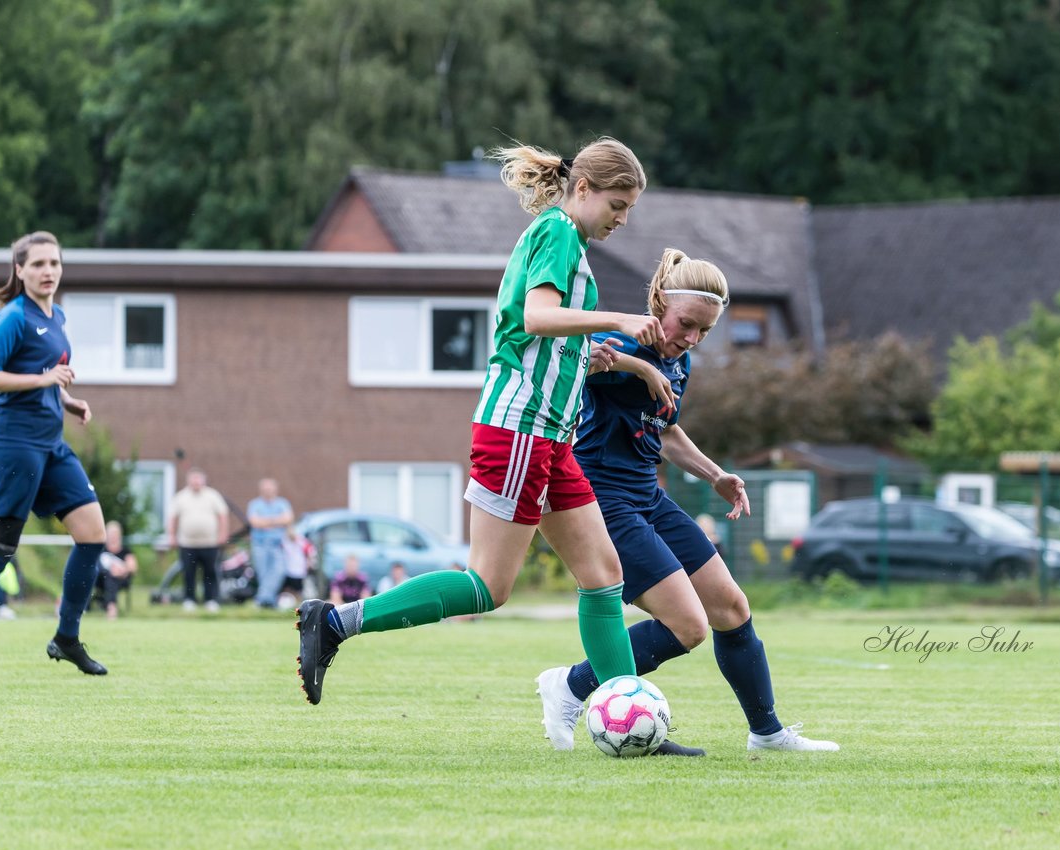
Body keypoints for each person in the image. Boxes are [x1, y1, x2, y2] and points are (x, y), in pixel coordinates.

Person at [295, 137, 665, 718]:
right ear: (585, 189)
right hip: (520, 428)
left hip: (552, 437)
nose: (623, 218)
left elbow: (548, 332)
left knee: (603, 574)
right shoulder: (558, 232)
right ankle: (336, 621)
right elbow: (538, 317)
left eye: (630, 209)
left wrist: (611, 357)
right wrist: (619, 317)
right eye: (618, 205)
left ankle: (627, 711)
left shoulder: (568, 240)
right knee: (488, 586)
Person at [535, 249, 839, 754]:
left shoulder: (681, 362)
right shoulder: (620, 339)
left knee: (731, 607)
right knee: (688, 625)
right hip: (602, 501)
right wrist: (639, 366)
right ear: (658, 303)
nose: (692, 338)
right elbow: (571, 358)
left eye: (704, 330)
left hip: (648, 495)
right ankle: (569, 686)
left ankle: (767, 733)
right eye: (686, 324)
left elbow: (667, 429)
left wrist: (716, 474)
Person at [0, 231, 109, 674]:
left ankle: (67, 637)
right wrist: (43, 382)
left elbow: (44, 375)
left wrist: (64, 399)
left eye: (54, 263)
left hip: (51, 445)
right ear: (19, 271)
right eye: (37, 264)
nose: (48, 271)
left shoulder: (56, 315)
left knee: (93, 534)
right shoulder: (12, 319)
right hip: (13, 447)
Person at [166, 468, 229, 612]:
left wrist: (223, 534)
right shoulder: (181, 497)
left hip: (210, 543)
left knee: (210, 572)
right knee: (188, 573)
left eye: (198, 479)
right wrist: (171, 535)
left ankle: (211, 600)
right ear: (188, 481)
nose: (196, 482)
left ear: (203, 480)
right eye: (193, 479)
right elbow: (172, 518)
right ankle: (189, 600)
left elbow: (223, 516)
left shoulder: (213, 495)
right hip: (187, 543)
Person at [246, 478, 294, 609]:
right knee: (263, 574)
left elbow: (288, 519)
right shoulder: (255, 504)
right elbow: (255, 523)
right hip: (259, 544)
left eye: (270, 488)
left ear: (275, 489)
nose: (268, 491)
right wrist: (277, 521)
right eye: (265, 489)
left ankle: (262, 600)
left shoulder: (282, 503)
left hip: (277, 544)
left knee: (279, 571)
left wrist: (266, 522)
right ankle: (269, 602)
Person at [94, 520, 137, 620]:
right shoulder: (102, 550)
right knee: (106, 574)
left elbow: (133, 567)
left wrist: (122, 570)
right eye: (110, 533)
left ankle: (111, 607)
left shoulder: (125, 551)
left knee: (111, 577)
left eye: (115, 533)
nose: (113, 536)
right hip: (101, 579)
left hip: (121, 579)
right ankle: (109, 606)